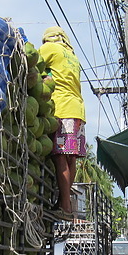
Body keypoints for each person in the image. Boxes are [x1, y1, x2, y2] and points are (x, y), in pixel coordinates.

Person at [39, 26, 86, 216]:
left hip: (62, 108)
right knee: (70, 157)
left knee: (60, 156)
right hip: (78, 111)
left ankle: (65, 206)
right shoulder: (72, 56)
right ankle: (63, 202)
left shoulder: (50, 48)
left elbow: (30, 60)